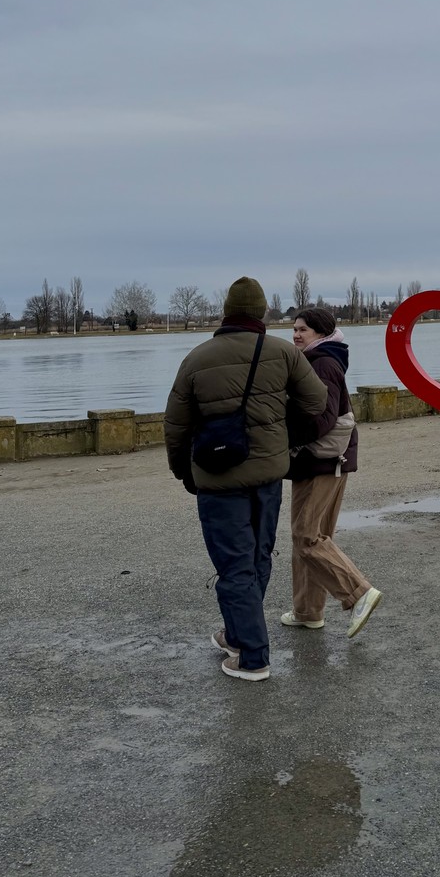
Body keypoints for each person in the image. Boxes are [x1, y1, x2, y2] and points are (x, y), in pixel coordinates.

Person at [164, 276, 327, 682]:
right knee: (256, 559)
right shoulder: (283, 353)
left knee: (235, 566)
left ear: (226, 311)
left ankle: (253, 657)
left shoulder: (197, 358)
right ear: (263, 312)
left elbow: (176, 427)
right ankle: (237, 634)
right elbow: (317, 401)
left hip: (218, 480)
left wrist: (186, 473)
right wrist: (281, 434)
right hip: (268, 477)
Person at [282, 306, 382, 640]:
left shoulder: (321, 363)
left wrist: (285, 438)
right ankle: (308, 612)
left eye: (303, 330)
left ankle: (358, 592)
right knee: (313, 537)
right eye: (294, 329)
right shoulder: (323, 359)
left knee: (307, 537)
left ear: (322, 333)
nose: (296, 335)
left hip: (319, 463)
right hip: (329, 462)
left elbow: (322, 419)